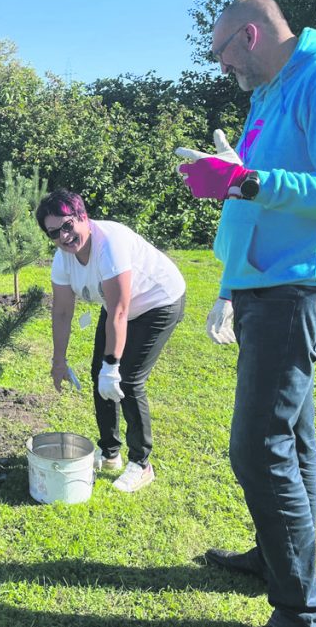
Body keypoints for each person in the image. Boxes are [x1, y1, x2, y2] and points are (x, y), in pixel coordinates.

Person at [175, 0, 316, 627]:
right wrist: (230, 278)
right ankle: (275, 559)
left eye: (219, 52)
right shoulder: (267, 94)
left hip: (297, 291)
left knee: (257, 448)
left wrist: (246, 182)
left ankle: (301, 610)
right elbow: (254, 189)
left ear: (250, 34)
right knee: (291, 440)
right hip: (263, 287)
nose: (219, 67)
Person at [36, 189, 186, 493]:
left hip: (158, 302)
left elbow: (120, 310)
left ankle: (142, 464)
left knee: (127, 380)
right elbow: (63, 312)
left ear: (83, 217)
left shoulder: (110, 245)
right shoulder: (63, 260)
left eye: (67, 225)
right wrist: (58, 361)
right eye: (54, 233)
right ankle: (109, 453)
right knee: (97, 376)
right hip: (118, 307)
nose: (64, 237)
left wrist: (113, 365)